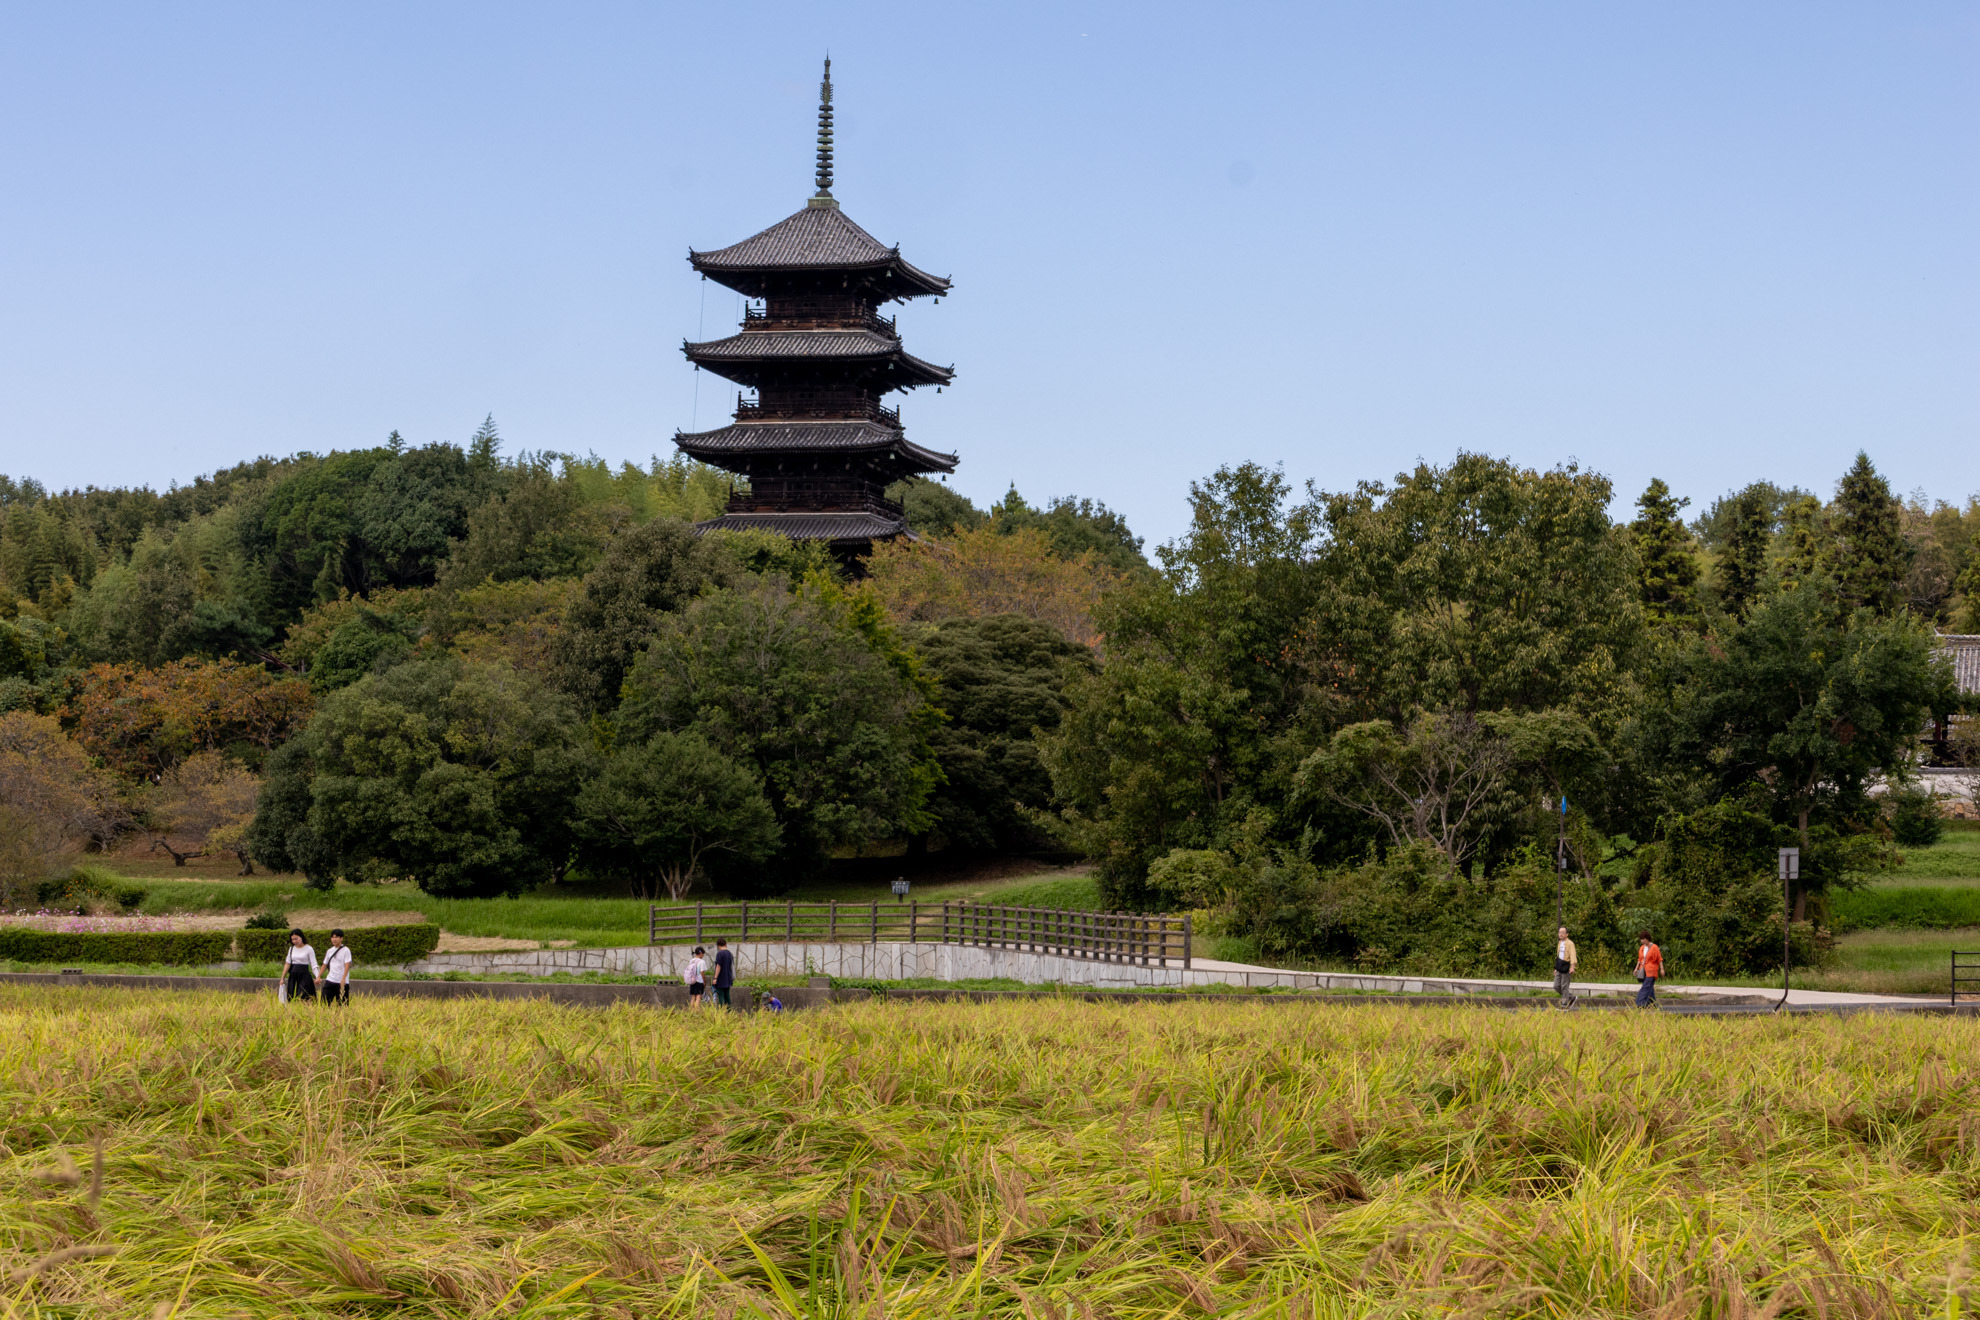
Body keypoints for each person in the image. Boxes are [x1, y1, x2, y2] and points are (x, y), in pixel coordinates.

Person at [281, 929, 317, 1003]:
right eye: (292, 939)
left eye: (296, 939)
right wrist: (282, 978)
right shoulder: (291, 949)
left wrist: (318, 976)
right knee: (292, 996)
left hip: (304, 975)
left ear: (301, 937)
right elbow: (288, 964)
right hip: (293, 975)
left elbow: (314, 964)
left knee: (303, 996)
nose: (294, 941)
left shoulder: (309, 949)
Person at [318, 929, 353, 1007]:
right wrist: (319, 976)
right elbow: (324, 964)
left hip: (341, 982)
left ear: (341, 938)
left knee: (342, 1005)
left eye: (336, 937)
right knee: (324, 1003)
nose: (334, 939)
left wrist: (343, 979)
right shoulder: (330, 951)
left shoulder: (346, 950)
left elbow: (347, 965)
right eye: (332, 937)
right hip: (330, 980)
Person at [1634, 929, 1663, 1008]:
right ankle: (1652, 1004)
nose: (1642, 941)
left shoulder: (1654, 947)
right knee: (1649, 988)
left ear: (1648, 939)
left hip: (1651, 970)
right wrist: (1636, 969)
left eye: (1644, 939)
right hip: (1643, 970)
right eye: (1641, 939)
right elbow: (1640, 959)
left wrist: (1662, 969)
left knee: (1645, 987)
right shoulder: (1641, 948)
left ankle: (1639, 1003)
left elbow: (1659, 959)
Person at [1553, 925, 1578, 1008]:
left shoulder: (1570, 944)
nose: (1561, 934)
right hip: (1559, 966)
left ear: (1567, 934)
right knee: (1556, 986)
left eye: (1563, 933)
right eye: (1560, 932)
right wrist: (1556, 969)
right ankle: (1571, 998)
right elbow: (1558, 956)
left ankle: (1564, 1004)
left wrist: (1572, 967)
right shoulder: (1559, 943)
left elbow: (1573, 955)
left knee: (1564, 986)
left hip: (1566, 966)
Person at [712, 937, 735, 1009]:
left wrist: (715, 978)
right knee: (727, 996)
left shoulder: (720, 953)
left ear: (718, 946)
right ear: (725, 944)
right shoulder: (729, 954)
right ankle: (729, 1011)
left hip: (721, 979)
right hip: (728, 978)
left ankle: (722, 1012)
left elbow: (718, 966)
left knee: (721, 996)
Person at [683, 946, 707, 1010]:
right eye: (703, 954)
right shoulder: (702, 962)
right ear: (701, 953)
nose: (703, 955)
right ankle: (696, 1012)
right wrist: (704, 981)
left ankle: (692, 1011)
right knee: (698, 997)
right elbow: (702, 972)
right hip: (699, 981)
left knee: (693, 997)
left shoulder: (691, 960)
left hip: (692, 981)